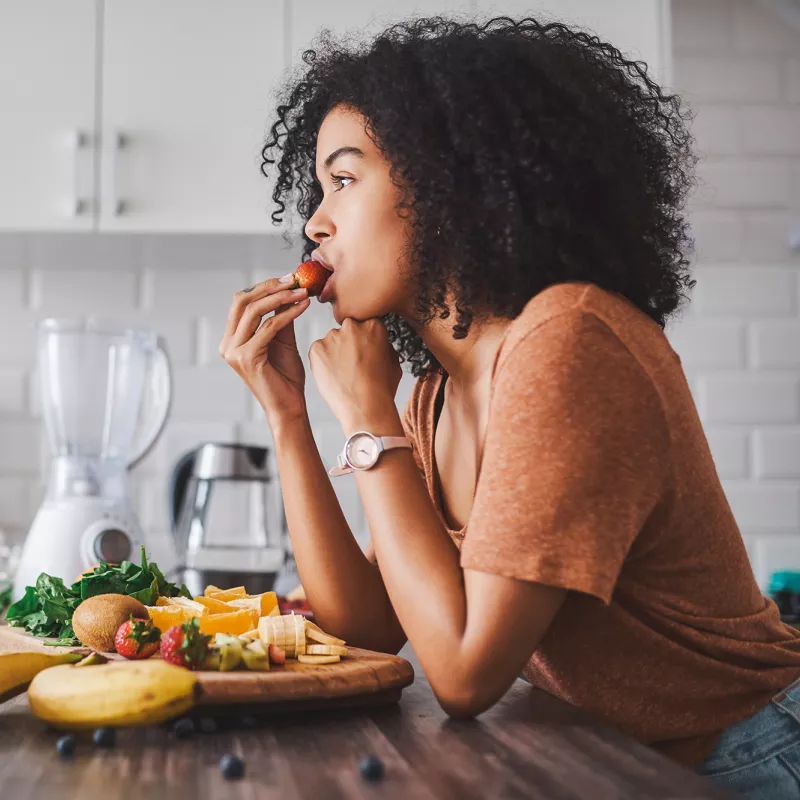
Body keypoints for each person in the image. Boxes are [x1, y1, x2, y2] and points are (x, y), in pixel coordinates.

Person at [219, 15, 800, 798]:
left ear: (445, 180)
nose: (315, 221)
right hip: (618, 758)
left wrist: (367, 420)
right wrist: (288, 415)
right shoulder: (435, 394)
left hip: (753, 756)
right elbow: (366, 627)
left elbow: (462, 674)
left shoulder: (569, 341)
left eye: (345, 180)